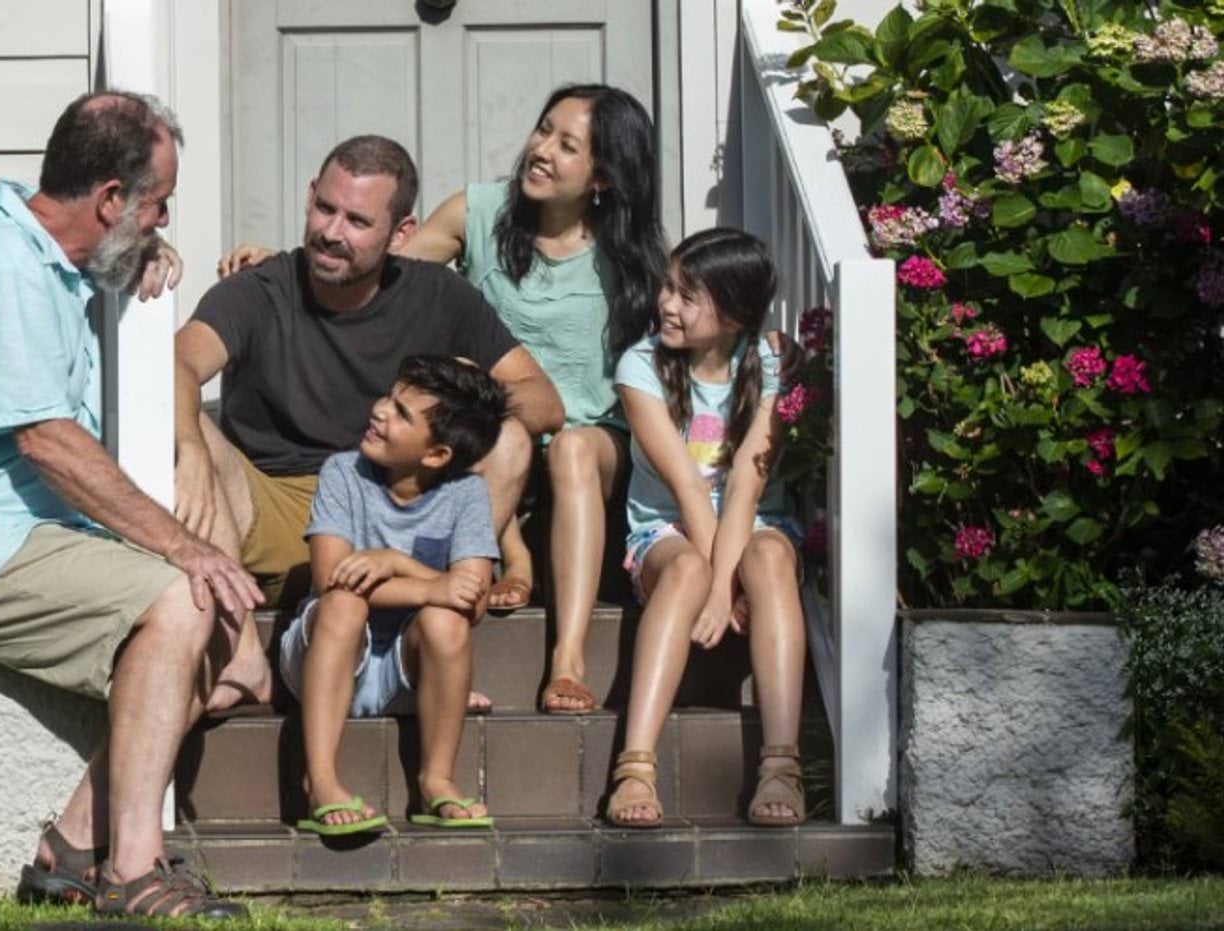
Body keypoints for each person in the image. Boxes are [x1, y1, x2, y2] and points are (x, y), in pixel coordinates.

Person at [0, 91, 260, 919]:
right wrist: (184, 548)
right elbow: (43, 439)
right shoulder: (3, 267)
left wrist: (140, 255)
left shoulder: (53, 253)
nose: (162, 221)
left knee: (222, 644)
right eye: (156, 206)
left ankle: (71, 845)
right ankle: (131, 870)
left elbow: (104, 265)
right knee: (180, 594)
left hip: (23, 534)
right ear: (110, 199)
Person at [220, 85, 665, 717]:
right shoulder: (478, 212)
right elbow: (383, 266)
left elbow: (692, 325)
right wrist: (289, 267)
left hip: (588, 441)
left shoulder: (633, 256)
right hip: (488, 434)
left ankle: (566, 655)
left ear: (604, 177)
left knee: (564, 447)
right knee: (482, 420)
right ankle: (449, 604)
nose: (541, 150)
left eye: (567, 146)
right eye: (543, 131)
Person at [173, 135, 563, 637]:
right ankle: (236, 643)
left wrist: (450, 398)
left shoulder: (440, 295)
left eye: (357, 222)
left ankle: (443, 621)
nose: (332, 232)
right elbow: (178, 361)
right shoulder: (256, 290)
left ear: (401, 233)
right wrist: (190, 448)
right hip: (277, 508)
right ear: (310, 195)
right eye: (325, 209)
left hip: (401, 513)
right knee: (189, 424)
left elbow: (544, 402)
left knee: (506, 434)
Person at [607, 228, 806, 829]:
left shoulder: (770, 361)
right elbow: (690, 491)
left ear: (735, 312)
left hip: (757, 524)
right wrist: (716, 586)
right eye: (669, 287)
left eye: (688, 296)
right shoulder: (640, 367)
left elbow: (747, 478)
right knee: (689, 568)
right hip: (666, 530)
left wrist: (731, 585)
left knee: (769, 560)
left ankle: (781, 764)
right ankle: (634, 765)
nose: (668, 304)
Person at [282, 355, 507, 834]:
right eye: (389, 396)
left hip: (407, 675)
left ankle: (436, 779)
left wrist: (396, 563)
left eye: (402, 413)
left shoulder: (466, 493)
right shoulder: (344, 471)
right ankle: (319, 780)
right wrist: (428, 582)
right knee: (344, 602)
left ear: (436, 455)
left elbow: (474, 598)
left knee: (447, 620)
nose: (381, 410)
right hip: (326, 654)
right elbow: (328, 578)